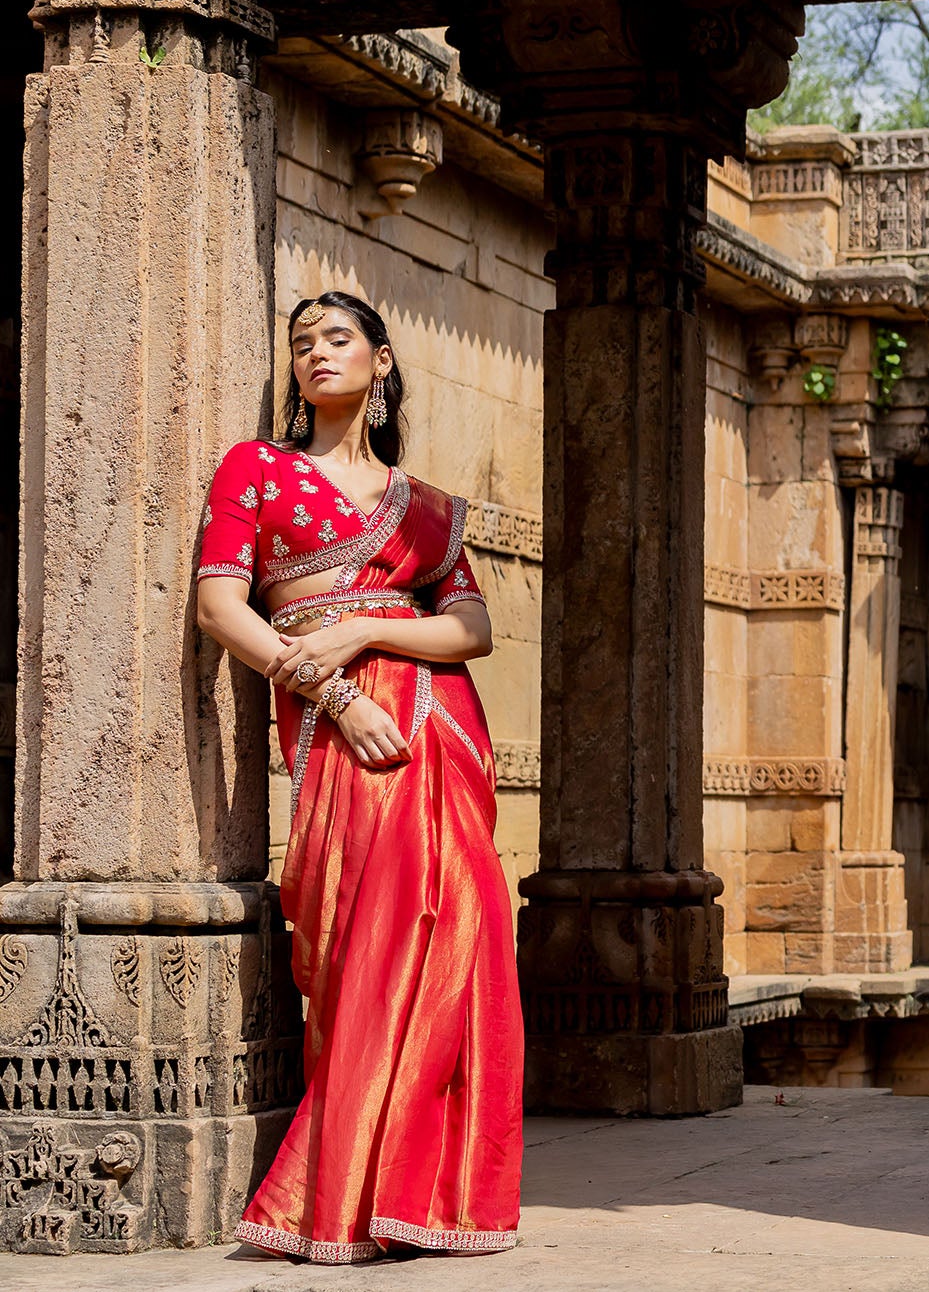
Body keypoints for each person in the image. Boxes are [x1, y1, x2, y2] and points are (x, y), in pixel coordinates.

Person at [197, 290, 523, 1262]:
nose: (315, 354)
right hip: (348, 737)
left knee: (460, 945)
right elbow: (223, 608)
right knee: (364, 948)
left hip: (439, 731)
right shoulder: (257, 471)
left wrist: (368, 627)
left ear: (380, 362)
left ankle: (427, 1195)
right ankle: (343, 1195)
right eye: (301, 344)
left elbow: (473, 629)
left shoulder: (421, 509)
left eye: (337, 339)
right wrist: (338, 694)